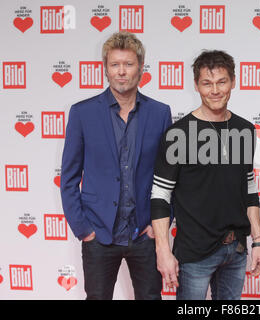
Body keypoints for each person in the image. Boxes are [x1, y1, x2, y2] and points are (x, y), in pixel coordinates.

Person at [60, 31, 172, 300]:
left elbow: (170, 176)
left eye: (129, 64)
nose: (122, 72)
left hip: (145, 235)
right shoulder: (82, 113)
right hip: (99, 235)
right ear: (105, 69)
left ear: (141, 68)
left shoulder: (160, 113)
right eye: (115, 65)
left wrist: (160, 226)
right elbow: (69, 178)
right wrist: (84, 230)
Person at [150, 50, 260, 300]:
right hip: (194, 253)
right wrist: (162, 250)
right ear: (197, 85)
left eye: (222, 82)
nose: (215, 90)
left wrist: (257, 241)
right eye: (207, 83)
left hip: (235, 250)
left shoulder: (244, 129)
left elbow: (248, 189)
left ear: (233, 82)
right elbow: (160, 196)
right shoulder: (178, 135)